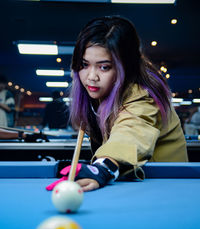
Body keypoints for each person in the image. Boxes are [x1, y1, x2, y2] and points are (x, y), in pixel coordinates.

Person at [47, 15, 188, 193]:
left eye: (104, 67)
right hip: (139, 186)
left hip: (168, 190)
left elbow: (131, 131)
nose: (91, 76)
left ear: (125, 67)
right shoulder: (101, 94)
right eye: (84, 64)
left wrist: (102, 168)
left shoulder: (143, 96)